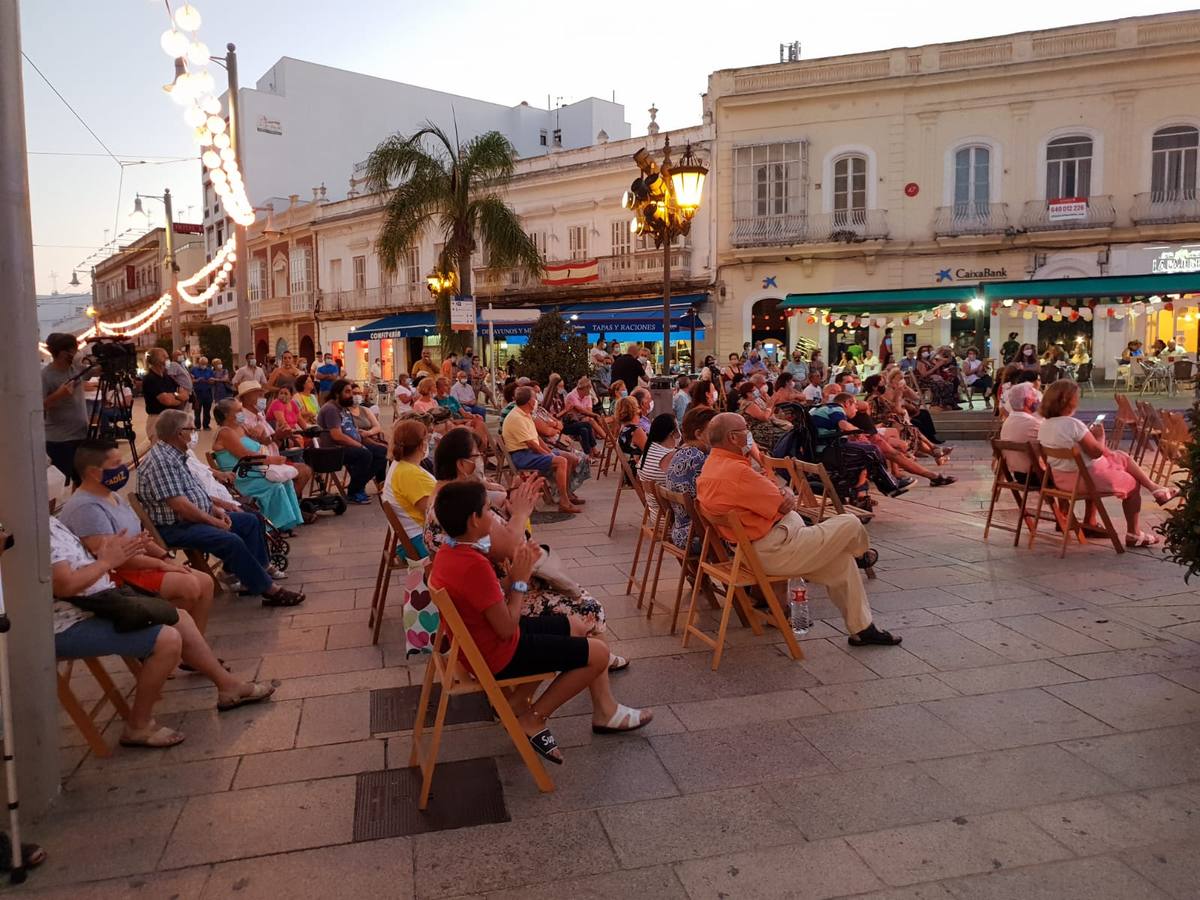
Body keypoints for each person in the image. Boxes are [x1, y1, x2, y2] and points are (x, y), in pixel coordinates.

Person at [429, 480, 649, 762]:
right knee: (599, 655)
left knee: (577, 624)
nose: (493, 516)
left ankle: (519, 702)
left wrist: (514, 575)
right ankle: (534, 718)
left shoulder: (449, 553)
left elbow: (489, 600)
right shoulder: (474, 564)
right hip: (500, 654)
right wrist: (520, 583)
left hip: (484, 642)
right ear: (474, 520)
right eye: (488, 510)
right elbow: (507, 627)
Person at [49, 516, 274, 748]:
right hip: (69, 622)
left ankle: (228, 687)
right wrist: (107, 562)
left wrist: (125, 556)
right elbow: (65, 585)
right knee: (167, 639)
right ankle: (138, 726)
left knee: (180, 617)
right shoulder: (37, 530)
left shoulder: (48, 523)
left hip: (98, 604)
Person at [697, 413, 900, 646]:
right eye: (746, 429)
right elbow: (781, 499)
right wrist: (788, 496)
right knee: (850, 522)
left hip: (758, 548)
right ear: (733, 437)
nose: (749, 433)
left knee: (841, 564)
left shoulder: (713, 466)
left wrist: (785, 498)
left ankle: (862, 629)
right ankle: (863, 555)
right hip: (774, 551)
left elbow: (776, 497)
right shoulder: (737, 472)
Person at [137, 410, 305, 606]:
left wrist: (216, 509)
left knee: (250, 521)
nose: (194, 434)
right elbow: (180, 505)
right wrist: (213, 520)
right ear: (179, 433)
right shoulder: (162, 461)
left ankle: (254, 576)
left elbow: (194, 493)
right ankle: (270, 590)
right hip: (176, 526)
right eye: (191, 429)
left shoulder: (175, 455)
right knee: (230, 540)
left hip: (192, 518)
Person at [61, 439, 215, 637]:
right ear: (93, 472)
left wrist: (165, 557)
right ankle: (163, 640)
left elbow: (139, 538)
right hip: (116, 575)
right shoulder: (86, 508)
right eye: (116, 464)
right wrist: (162, 565)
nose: (124, 468)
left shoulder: (112, 495)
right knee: (189, 585)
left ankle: (192, 646)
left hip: (137, 565)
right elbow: (117, 559)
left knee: (205, 581)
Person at [1039, 380, 1178, 546]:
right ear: (1069, 400)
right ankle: (1134, 533)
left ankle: (1156, 489)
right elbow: (1096, 452)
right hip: (1085, 480)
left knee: (1120, 456)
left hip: (1062, 480)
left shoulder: (1044, 425)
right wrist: (1099, 436)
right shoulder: (1073, 425)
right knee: (1133, 484)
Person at [212, 398, 305, 531]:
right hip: (241, 477)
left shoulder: (241, 427)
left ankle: (288, 523)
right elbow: (245, 454)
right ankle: (274, 525)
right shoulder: (225, 432)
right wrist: (270, 460)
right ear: (227, 415)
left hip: (253, 471)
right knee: (275, 486)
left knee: (286, 481)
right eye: (238, 411)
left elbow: (262, 442)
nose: (242, 413)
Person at [502, 386, 583, 513]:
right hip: (522, 455)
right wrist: (549, 455)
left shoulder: (525, 414)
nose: (537, 400)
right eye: (535, 397)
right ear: (529, 401)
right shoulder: (517, 417)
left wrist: (549, 452)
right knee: (561, 461)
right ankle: (564, 501)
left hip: (529, 452)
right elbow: (531, 444)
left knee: (570, 458)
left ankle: (567, 493)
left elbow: (536, 439)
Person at [319, 379, 389, 504]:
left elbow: (353, 431)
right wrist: (359, 445)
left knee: (382, 451)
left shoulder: (344, 408)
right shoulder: (331, 409)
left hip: (352, 443)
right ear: (337, 394)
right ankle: (354, 492)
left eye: (351, 392)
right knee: (365, 455)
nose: (351, 395)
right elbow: (337, 435)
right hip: (335, 449)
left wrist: (371, 443)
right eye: (347, 392)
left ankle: (358, 486)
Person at [382, 418, 435, 559]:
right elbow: (434, 510)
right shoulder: (410, 473)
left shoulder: (401, 466)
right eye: (427, 438)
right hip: (419, 540)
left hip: (412, 536)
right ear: (421, 445)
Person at [42, 332, 91, 484]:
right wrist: (59, 394)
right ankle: (50, 509)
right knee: (57, 483)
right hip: (59, 440)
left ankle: (78, 507)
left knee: (83, 480)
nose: (77, 353)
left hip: (81, 435)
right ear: (64, 353)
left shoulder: (75, 369)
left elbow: (94, 370)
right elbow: (38, 406)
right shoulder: (45, 375)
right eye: (74, 350)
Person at [666, 406, 717, 549]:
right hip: (697, 535)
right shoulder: (699, 459)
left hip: (681, 531)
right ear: (699, 434)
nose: (717, 436)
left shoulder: (680, 453)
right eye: (713, 432)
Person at [141, 348, 190, 443]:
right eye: (164, 357)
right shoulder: (150, 379)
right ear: (156, 360)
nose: (168, 359)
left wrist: (175, 395)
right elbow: (166, 401)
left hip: (171, 419)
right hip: (157, 419)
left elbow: (185, 394)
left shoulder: (167, 377)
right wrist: (178, 396)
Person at [997, 382, 1043, 478]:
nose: (1038, 400)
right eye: (1035, 397)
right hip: (1037, 476)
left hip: (1018, 475)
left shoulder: (1007, 422)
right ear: (1028, 401)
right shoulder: (1034, 424)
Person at [638, 412, 680, 517]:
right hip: (671, 522)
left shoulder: (648, 451)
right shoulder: (670, 457)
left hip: (656, 517)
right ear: (672, 433)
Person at [915, 344, 960, 410]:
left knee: (948, 384)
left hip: (932, 379)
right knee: (938, 384)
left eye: (926, 350)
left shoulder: (929, 361)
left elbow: (942, 365)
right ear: (920, 352)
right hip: (924, 381)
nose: (925, 352)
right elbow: (923, 375)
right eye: (923, 351)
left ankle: (947, 403)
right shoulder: (920, 362)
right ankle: (936, 404)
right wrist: (936, 367)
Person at [615, 395, 647, 471]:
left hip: (629, 470)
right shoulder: (636, 430)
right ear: (635, 410)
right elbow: (650, 451)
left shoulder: (624, 428)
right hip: (639, 471)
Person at [191, 356, 214, 430]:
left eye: (205, 364)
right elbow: (190, 380)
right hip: (197, 393)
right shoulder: (194, 370)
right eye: (202, 363)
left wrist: (210, 381)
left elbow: (213, 381)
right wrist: (198, 380)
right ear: (199, 363)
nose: (204, 365)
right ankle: (197, 426)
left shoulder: (210, 370)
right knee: (197, 411)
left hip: (208, 392)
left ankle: (206, 425)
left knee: (207, 411)